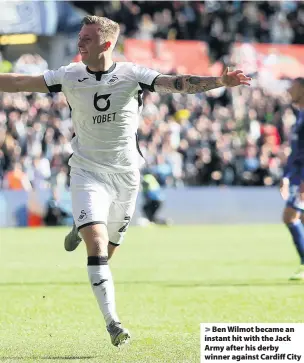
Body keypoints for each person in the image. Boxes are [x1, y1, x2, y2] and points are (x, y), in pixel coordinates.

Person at [0, 15, 251, 346]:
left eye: (87, 38)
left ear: (106, 44)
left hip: (126, 176)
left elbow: (179, 83)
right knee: (97, 244)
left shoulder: (132, 74)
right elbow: (19, 82)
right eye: (80, 36)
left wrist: (220, 82)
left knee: (108, 251)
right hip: (87, 171)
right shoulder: (70, 75)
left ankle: (82, 223)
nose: (79, 43)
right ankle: (113, 322)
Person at [280, 78, 304, 280]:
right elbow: (296, 153)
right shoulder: (300, 116)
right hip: (296, 176)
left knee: (290, 216)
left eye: (293, 87)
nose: (289, 90)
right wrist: (286, 177)